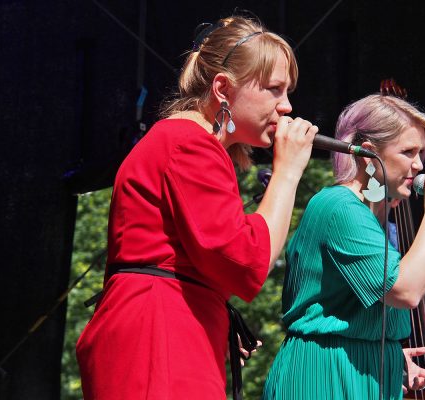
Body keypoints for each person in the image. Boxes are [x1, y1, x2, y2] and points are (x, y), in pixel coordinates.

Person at [76, 15, 318, 400]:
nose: (287, 106)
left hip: (162, 329)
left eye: (288, 92)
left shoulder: (184, 141)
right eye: (274, 89)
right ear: (222, 87)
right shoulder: (188, 143)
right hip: (155, 333)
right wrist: (287, 173)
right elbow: (246, 263)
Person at [262, 93, 425, 399]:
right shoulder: (340, 207)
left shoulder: (368, 217)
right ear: (368, 154)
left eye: (421, 152)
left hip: (362, 370)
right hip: (325, 375)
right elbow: (405, 291)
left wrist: (389, 357)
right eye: (408, 151)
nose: (420, 165)